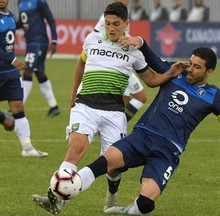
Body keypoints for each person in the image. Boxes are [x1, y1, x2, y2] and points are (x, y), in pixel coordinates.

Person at [33, 34, 220, 215]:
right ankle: (60, 196)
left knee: (146, 205)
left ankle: (125, 210)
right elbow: (153, 60)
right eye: (190, 63)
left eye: (197, 67)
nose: (190, 69)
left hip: (168, 152)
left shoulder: (214, 96)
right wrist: (141, 41)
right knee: (103, 162)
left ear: (209, 71)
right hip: (142, 137)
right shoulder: (175, 74)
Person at [32, 2, 183, 214]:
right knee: (76, 148)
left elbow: (150, 80)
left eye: (116, 24)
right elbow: (81, 64)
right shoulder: (91, 39)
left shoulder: (134, 51)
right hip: (86, 105)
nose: (111, 28)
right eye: (108, 23)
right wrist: (74, 92)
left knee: (114, 165)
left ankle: (112, 195)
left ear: (126, 24)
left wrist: (170, 74)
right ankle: (56, 197)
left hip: (114, 112)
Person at [0, 0, 48, 157]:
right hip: (6, 66)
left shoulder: (12, 18)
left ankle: (27, 148)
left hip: (9, 72)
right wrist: (13, 59)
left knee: (18, 106)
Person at [94, 0, 147, 122]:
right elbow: (95, 35)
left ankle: (115, 126)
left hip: (123, 61)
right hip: (115, 62)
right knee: (139, 97)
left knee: (129, 99)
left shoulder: (125, 12)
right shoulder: (108, 17)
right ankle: (115, 125)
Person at [16, 0, 60, 118]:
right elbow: (23, 21)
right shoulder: (20, 2)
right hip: (30, 42)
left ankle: (18, 107)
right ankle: (54, 106)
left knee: (27, 70)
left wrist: (54, 40)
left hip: (39, 42)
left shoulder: (39, 2)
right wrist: (10, 26)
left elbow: (50, 19)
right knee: (39, 72)